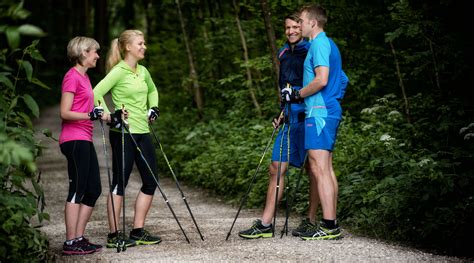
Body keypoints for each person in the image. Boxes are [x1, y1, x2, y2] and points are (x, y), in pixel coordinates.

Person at [238, 13, 319, 239]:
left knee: (313, 169)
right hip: (289, 118)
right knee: (275, 166)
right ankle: (265, 224)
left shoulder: (312, 50)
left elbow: (323, 81)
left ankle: (311, 220)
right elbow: (283, 87)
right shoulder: (283, 52)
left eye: (295, 27)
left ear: (302, 27)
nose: (291, 31)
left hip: (308, 117)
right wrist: (281, 112)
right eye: (287, 28)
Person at [281, 4, 349, 240]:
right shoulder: (329, 44)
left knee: (320, 169)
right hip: (326, 110)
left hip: (319, 113)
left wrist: (298, 94)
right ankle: (331, 222)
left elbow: (321, 80)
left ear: (313, 22)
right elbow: (342, 79)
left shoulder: (319, 44)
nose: (298, 25)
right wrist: (333, 100)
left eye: (301, 20)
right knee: (326, 169)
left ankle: (329, 226)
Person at [93, 29, 161, 248]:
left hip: (143, 132)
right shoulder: (118, 71)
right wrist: (107, 115)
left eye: (144, 43)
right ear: (128, 47)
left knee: (151, 181)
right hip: (123, 133)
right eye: (140, 44)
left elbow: (152, 90)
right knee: (119, 184)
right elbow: (96, 93)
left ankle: (138, 231)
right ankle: (114, 235)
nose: (144, 47)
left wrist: (154, 108)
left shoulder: (143, 71)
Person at [59, 36, 105, 255]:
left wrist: (109, 116)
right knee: (77, 189)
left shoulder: (85, 78)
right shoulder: (72, 77)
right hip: (74, 139)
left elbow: (92, 110)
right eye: (95, 51)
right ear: (84, 52)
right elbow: (65, 112)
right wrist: (89, 114)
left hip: (84, 138)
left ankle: (78, 238)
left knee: (93, 189)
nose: (97, 55)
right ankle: (70, 242)